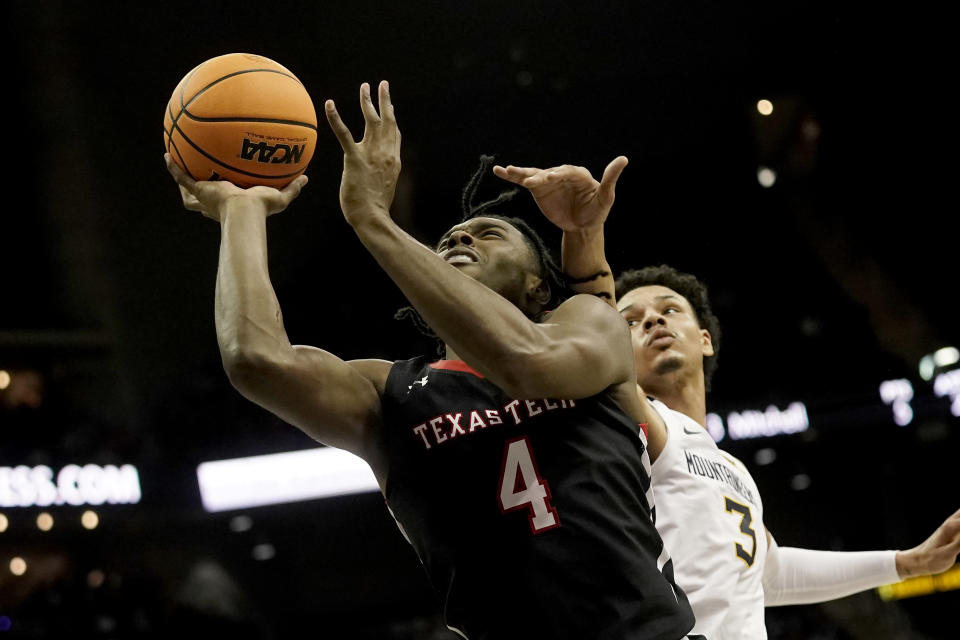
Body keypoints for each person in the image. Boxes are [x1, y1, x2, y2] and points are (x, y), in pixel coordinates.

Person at [165, 81, 697, 640]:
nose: (461, 238)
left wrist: (374, 220)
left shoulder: (589, 321)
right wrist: (241, 212)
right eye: (446, 242)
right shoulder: (390, 393)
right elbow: (254, 359)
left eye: (488, 233)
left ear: (540, 285)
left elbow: (526, 362)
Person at [494, 160, 960, 639]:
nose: (653, 322)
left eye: (669, 310)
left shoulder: (733, 470)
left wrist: (907, 563)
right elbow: (598, 338)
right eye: (630, 320)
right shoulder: (630, 425)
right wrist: (584, 234)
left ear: (704, 340)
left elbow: (770, 571)